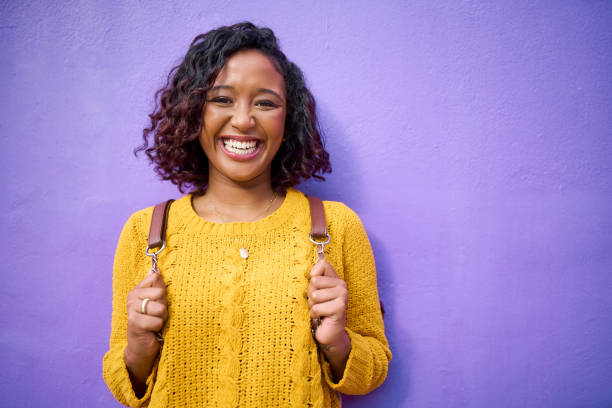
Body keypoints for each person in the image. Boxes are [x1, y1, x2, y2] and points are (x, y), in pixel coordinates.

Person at [103, 22, 391, 407]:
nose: (243, 120)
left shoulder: (336, 226)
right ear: (193, 113)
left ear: (288, 122)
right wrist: (138, 345)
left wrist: (338, 342)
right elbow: (126, 389)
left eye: (266, 103)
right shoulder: (146, 232)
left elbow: (372, 373)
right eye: (222, 99)